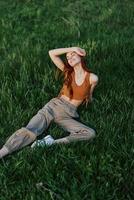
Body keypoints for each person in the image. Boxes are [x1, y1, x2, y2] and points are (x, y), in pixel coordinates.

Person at [0, 47, 99, 159]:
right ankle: (2, 152)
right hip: (53, 107)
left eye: (73, 54)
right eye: (68, 57)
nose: (70, 58)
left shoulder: (93, 78)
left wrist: (90, 100)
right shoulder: (68, 72)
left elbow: (89, 94)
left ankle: (50, 143)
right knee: (30, 129)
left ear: (81, 55)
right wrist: (72, 48)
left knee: (90, 133)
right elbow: (51, 53)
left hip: (67, 115)